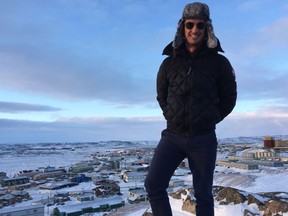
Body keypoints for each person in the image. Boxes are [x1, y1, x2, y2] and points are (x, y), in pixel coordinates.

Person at [144, 2, 237, 216]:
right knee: (153, 184)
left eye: (200, 25)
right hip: (173, 136)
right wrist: (171, 115)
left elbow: (229, 98)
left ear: (207, 29)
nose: (194, 30)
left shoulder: (220, 63)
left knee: (203, 194)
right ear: (182, 27)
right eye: (190, 24)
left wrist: (210, 118)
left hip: (203, 138)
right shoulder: (168, 64)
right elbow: (161, 95)